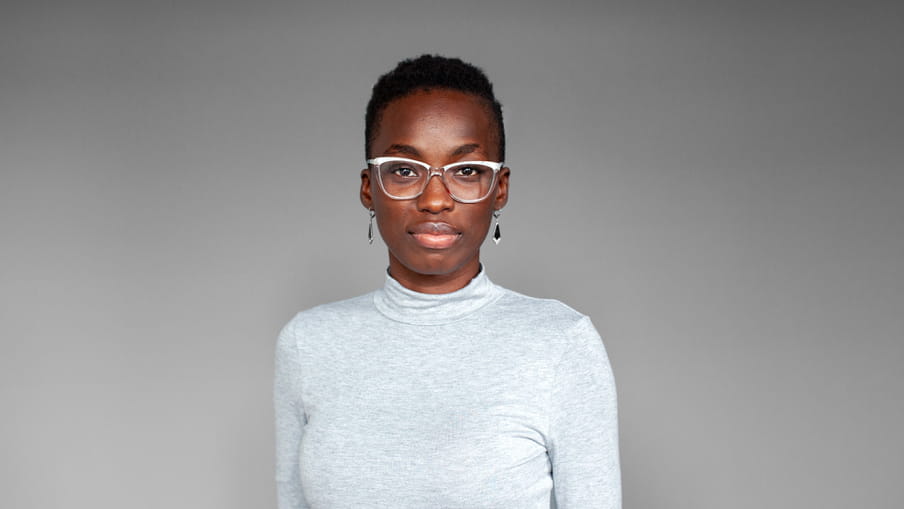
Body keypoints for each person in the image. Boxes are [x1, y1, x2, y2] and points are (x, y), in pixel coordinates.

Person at [274, 55, 621, 509]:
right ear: (368, 188)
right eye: (403, 170)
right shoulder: (308, 343)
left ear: (499, 190)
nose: (435, 199)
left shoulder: (561, 344)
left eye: (467, 171)